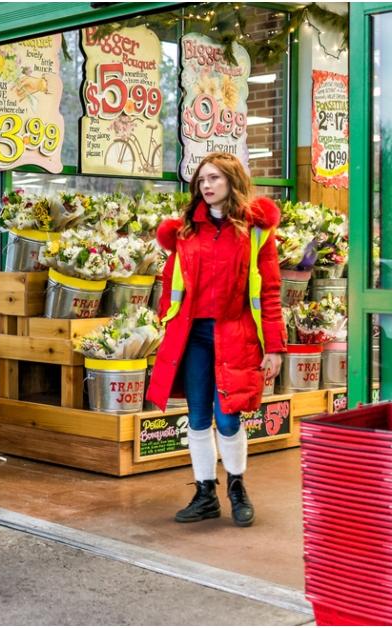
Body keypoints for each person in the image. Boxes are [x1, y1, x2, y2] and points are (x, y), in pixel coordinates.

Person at [146, 152, 286, 528]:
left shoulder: (256, 232)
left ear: (232, 182)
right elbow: (171, 287)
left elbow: (269, 291)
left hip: (235, 335)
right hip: (192, 337)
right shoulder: (186, 231)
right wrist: (165, 326)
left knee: (228, 418)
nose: (206, 186)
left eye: (215, 179)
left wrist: (274, 347)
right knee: (196, 417)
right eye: (202, 180)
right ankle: (205, 492)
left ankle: (237, 486)